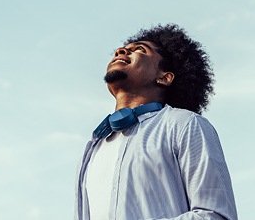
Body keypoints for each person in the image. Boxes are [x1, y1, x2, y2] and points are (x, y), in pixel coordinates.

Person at [74, 24, 237, 220]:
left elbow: (216, 215)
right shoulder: (94, 147)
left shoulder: (184, 124)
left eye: (140, 49)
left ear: (164, 77)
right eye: (123, 48)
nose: (121, 50)